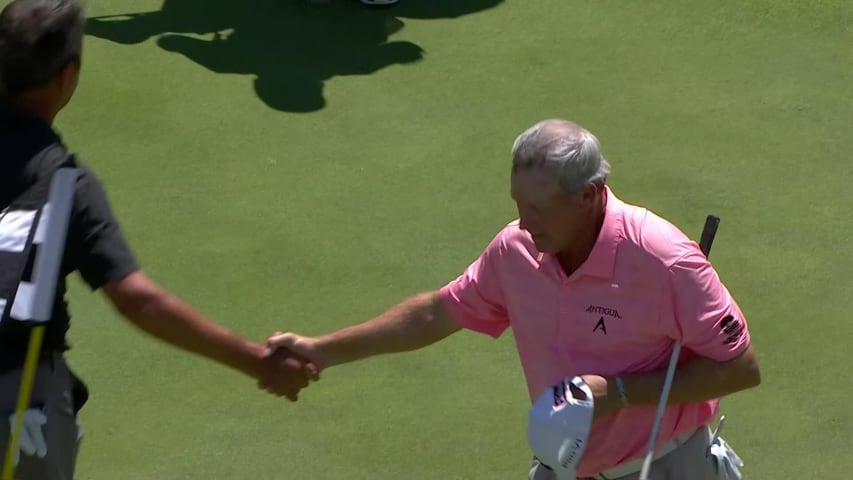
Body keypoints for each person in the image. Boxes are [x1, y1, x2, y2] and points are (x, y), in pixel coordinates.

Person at [265, 118, 762, 479]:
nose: (525, 223)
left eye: (539, 208)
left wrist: (622, 391)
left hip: (662, 468)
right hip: (562, 467)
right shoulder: (517, 250)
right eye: (518, 205)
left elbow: (741, 369)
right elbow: (439, 311)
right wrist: (323, 349)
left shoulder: (663, 260)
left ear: (590, 194)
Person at [0, 0, 316, 478]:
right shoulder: (65, 185)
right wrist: (256, 361)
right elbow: (138, 300)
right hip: (18, 405)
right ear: (68, 77)